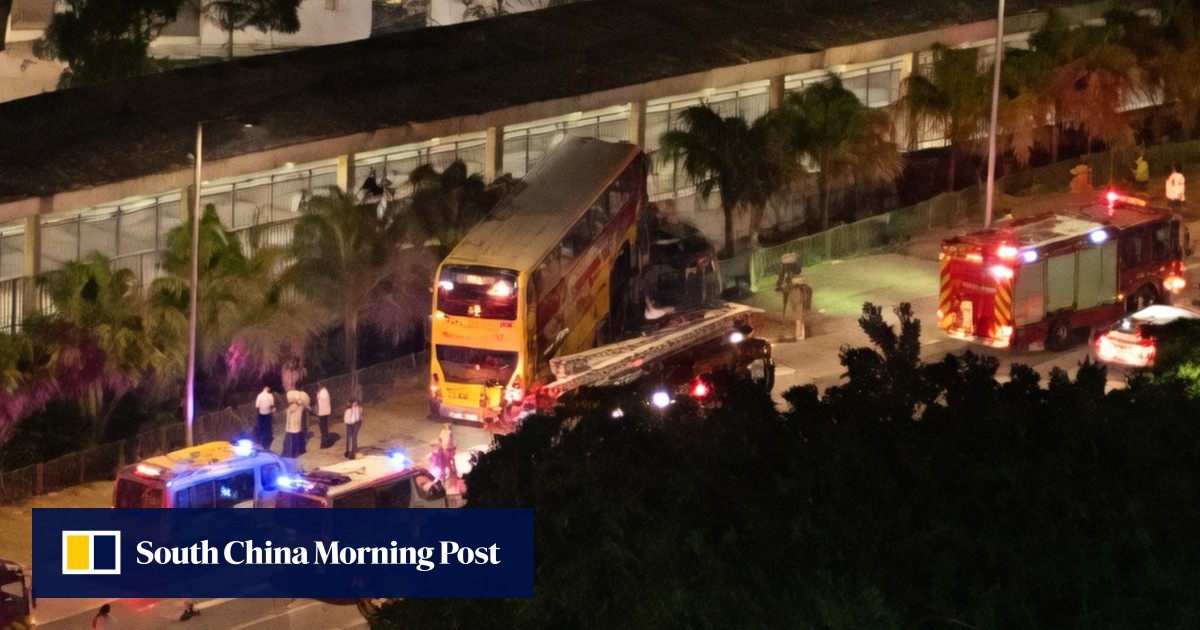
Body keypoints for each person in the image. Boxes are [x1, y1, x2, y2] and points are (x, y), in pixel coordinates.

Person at [281, 389, 310, 458]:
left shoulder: (295, 406)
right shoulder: (299, 407)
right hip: (295, 427)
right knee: (296, 438)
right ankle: (297, 452)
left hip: (293, 427)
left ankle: (291, 453)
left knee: (292, 439)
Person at [254, 386, 275, 452]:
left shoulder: (259, 395)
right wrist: (273, 410)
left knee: (261, 429)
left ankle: (259, 442)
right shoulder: (270, 396)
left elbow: (257, 406)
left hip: (261, 415)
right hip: (268, 414)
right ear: (268, 388)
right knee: (267, 429)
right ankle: (266, 445)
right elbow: (271, 405)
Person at [315, 383, 332, 448]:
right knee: (324, 427)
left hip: (322, 412)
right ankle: (325, 442)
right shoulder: (324, 392)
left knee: (323, 428)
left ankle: (325, 443)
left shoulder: (322, 392)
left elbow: (319, 401)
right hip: (324, 412)